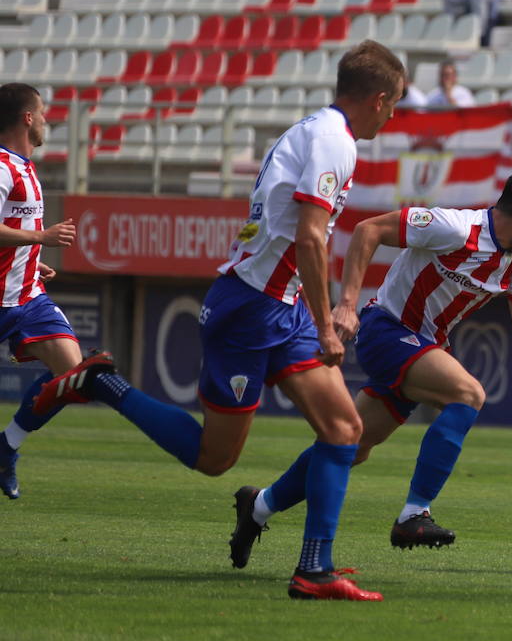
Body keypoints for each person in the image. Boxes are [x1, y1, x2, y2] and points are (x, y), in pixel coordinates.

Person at [35, 40, 408, 601]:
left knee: (343, 430)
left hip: (278, 306)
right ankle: (104, 383)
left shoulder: (316, 131)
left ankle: (314, 569)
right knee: (215, 458)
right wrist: (328, 322)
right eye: (394, 103)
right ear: (378, 99)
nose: (394, 114)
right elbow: (309, 236)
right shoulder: (335, 141)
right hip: (252, 308)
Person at [247, 170, 512, 550]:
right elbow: (368, 231)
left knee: (350, 445)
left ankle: (258, 507)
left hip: (421, 345)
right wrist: (348, 304)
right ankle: (414, 515)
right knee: (468, 393)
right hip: (386, 329)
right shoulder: (454, 227)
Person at [0, 84, 80, 500]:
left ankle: (6, 446)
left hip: (27, 295)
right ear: (27, 118)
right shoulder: (2, 167)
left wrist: (30, 255)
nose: (48, 119)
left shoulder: (26, 166)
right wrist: (40, 236)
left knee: (73, 374)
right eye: (43, 113)